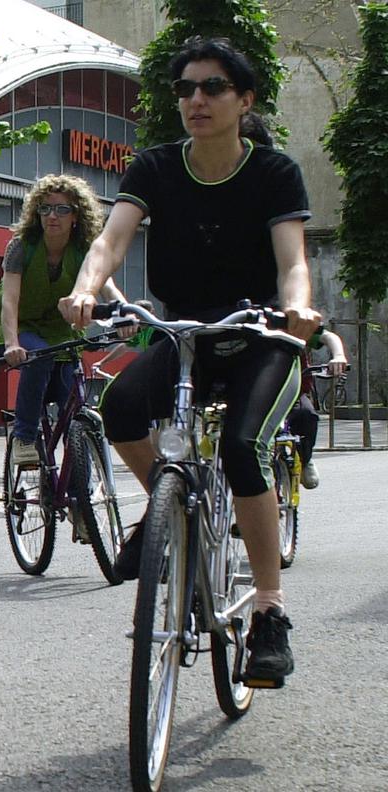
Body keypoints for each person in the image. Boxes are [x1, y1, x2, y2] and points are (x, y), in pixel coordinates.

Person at [61, 37, 322, 686]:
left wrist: (298, 309)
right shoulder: (153, 169)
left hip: (264, 337)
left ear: (244, 100)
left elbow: (293, 262)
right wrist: (89, 287)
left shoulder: (274, 173)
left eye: (211, 88)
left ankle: (268, 613)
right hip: (187, 337)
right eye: (185, 89)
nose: (196, 100)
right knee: (119, 408)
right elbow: (112, 239)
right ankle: (169, 506)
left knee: (242, 449)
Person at [0, 174, 126, 466]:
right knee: (38, 359)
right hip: (21, 327)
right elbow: (9, 300)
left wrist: (124, 312)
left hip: (61, 333)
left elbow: (106, 285)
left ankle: (75, 486)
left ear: (76, 215)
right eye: (45, 209)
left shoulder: (85, 247)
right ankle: (24, 438)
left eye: (61, 209)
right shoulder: (21, 246)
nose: (52, 216)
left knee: (74, 393)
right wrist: (11, 344)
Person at [285, 328, 347, 489]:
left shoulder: (292, 321)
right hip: (253, 392)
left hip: (291, 393)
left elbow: (327, 336)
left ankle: (305, 459)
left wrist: (338, 356)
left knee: (306, 415)